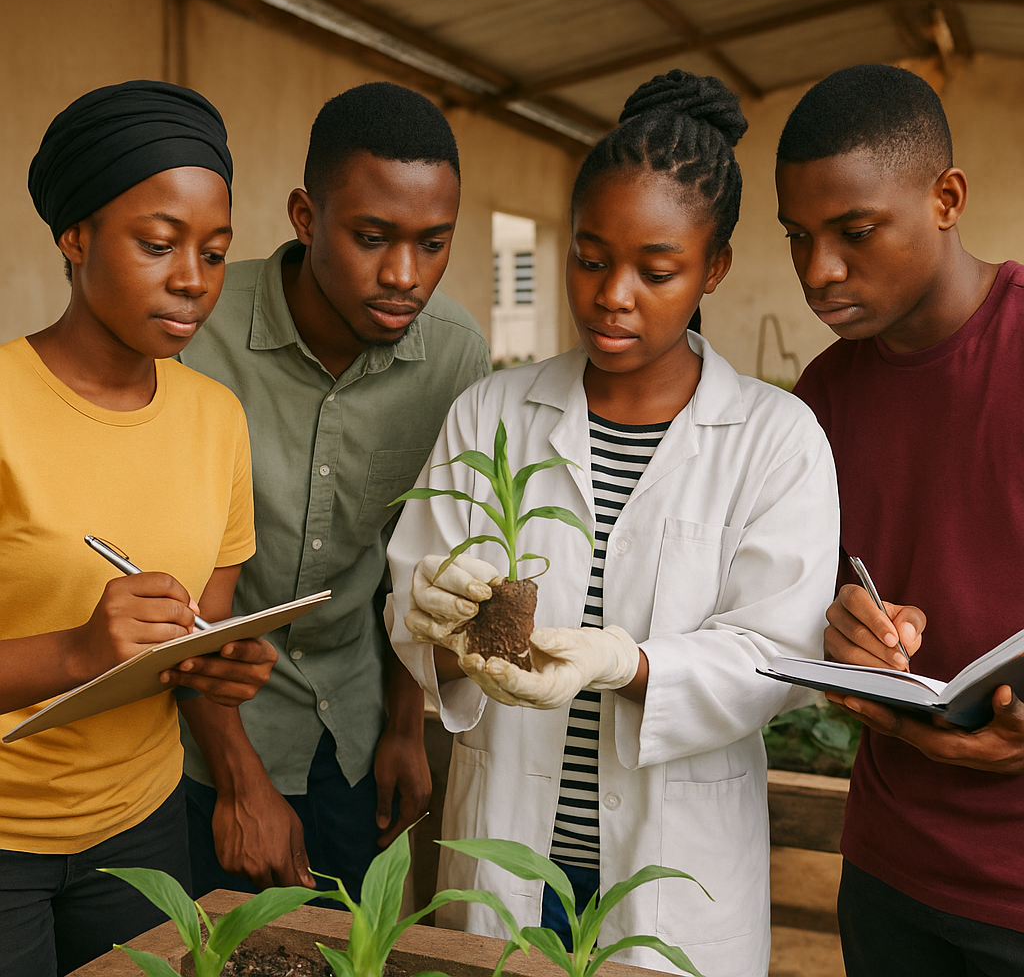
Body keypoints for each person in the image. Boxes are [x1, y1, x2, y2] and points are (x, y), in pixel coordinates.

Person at [388, 69, 840, 977]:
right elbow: (423, 615)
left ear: (713, 269)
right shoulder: (492, 412)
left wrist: (627, 663)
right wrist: (433, 628)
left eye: (656, 270)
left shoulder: (772, 436)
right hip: (510, 850)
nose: (612, 295)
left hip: (677, 868)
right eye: (590, 258)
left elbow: (780, 653)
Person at [178, 81, 492, 901]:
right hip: (199, 744)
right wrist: (242, 781)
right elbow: (169, 587)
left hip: (351, 736)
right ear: (306, 218)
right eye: (372, 237)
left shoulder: (455, 356)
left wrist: (401, 725)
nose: (404, 275)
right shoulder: (195, 332)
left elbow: (419, 561)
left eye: (433, 243)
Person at [0, 80, 277, 977]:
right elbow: (99, 655)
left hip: (143, 833)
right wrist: (79, 653)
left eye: (216, 251)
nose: (193, 278)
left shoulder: (216, 419)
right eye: (158, 244)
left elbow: (192, 640)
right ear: (74, 237)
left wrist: (218, 660)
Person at [778, 63, 1024, 976]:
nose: (816, 270)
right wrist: (852, 634)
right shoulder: (819, 398)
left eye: (855, 232)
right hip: (888, 873)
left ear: (947, 198)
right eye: (798, 236)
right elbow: (823, 605)